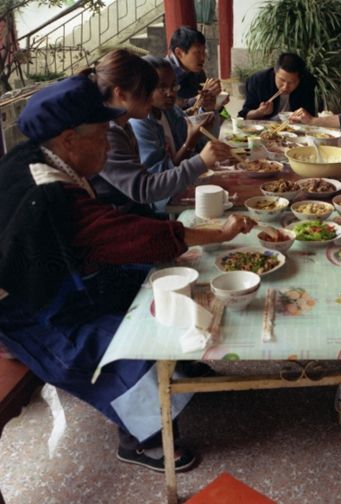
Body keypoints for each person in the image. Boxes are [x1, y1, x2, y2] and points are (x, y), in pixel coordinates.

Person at [0, 74, 255, 472]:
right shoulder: (48, 191)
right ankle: (144, 440)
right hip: (26, 310)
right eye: (103, 134)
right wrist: (215, 234)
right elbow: (127, 236)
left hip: (56, 276)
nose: (110, 140)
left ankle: (182, 366)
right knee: (122, 344)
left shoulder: (37, 156)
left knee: (158, 280)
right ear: (69, 140)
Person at [88, 49, 230, 215]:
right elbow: (145, 189)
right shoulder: (107, 133)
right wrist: (200, 159)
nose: (152, 98)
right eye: (148, 91)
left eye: (173, 86)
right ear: (120, 94)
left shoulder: (124, 124)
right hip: (116, 218)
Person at [129, 56, 218, 213]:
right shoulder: (140, 123)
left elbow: (200, 147)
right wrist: (190, 142)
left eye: (174, 86)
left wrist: (207, 111)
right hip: (164, 202)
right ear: (144, 88)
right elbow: (161, 178)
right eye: (162, 88)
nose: (170, 93)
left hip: (185, 182)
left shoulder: (171, 111)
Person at [238, 52, 317, 120]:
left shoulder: (307, 82)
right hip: (264, 130)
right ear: (275, 72)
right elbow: (244, 116)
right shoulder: (258, 81)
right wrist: (259, 112)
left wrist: (305, 117)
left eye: (291, 82)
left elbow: (310, 115)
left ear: (300, 79)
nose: (285, 87)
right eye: (282, 80)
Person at [166, 25, 221, 112]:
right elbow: (170, 115)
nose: (203, 58)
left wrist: (217, 100)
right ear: (179, 53)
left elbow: (209, 110)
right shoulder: (163, 76)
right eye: (197, 53)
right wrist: (198, 100)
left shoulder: (198, 73)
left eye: (204, 52)